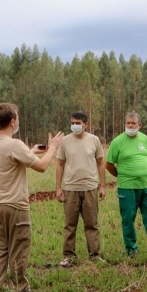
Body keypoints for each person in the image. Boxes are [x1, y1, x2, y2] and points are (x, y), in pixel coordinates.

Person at [0, 103, 64, 292]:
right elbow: (43, 166)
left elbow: (10, 160)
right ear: (12, 121)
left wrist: (31, 151)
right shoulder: (14, 144)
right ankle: (23, 290)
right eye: (17, 117)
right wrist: (52, 147)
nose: (18, 120)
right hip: (16, 206)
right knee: (19, 249)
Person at [106, 112, 147, 257]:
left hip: (146, 186)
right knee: (128, 218)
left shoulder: (144, 139)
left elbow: (146, 157)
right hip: (127, 187)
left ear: (140, 125)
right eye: (128, 123)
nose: (130, 126)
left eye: (133, 123)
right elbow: (108, 165)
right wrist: (121, 176)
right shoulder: (117, 142)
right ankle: (131, 248)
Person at [55, 111, 106, 266]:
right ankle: (69, 255)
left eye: (78, 123)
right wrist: (58, 187)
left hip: (90, 187)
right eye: (72, 123)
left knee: (92, 224)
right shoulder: (65, 141)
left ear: (85, 124)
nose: (75, 126)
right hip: (70, 188)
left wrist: (102, 185)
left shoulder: (94, 140)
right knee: (70, 225)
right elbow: (60, 164)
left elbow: (101, 163)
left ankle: (95, 255)